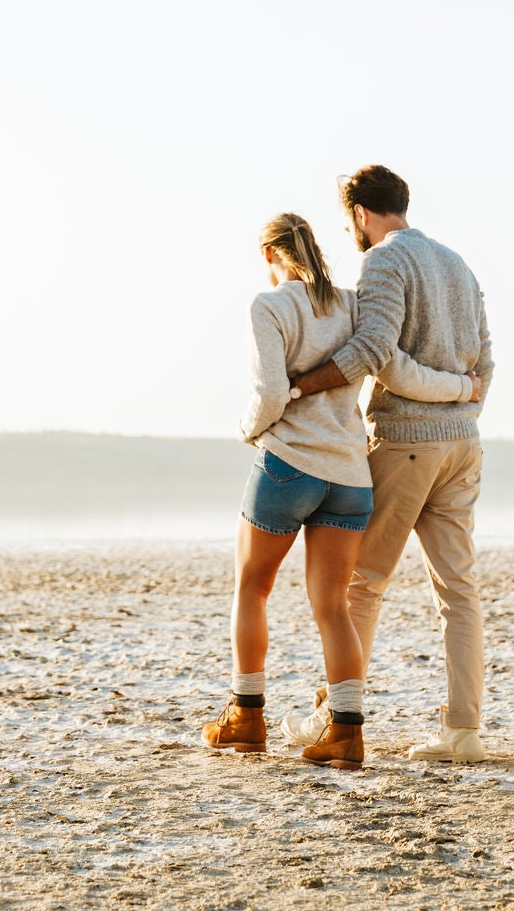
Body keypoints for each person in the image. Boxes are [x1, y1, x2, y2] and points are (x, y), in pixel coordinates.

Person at [202, 212, 478, 770]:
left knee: (252, 589)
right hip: (350, 475)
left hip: (289, 465)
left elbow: (270, 393)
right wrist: (461, 389)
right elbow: (384, 360)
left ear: (267, 254)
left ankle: (246, 716)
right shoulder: (353, 304)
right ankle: (346, 734)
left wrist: (247, 430)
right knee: (334, 607)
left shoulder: (270, 306)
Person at [283, 166, 495, 762]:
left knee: (362, 584)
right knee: (460, 589)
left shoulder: (382, 261)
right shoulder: (458, 263)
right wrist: (462, 398)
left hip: (407, 439)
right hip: (464, 445)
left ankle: (335, 717)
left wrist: (298, 386)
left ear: (358, 213)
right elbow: (484, 367)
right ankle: (463, 732)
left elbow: (380, 356)